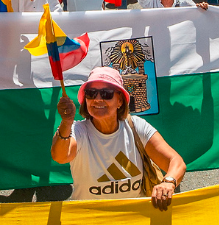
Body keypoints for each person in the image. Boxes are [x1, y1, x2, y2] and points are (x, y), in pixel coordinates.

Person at [51, 67, 186, 209]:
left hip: (133, 218)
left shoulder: (136, 126)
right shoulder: (77, 131)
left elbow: (176, 162)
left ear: (120, 100)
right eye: (91, 93)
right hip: (89, 218)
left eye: (106, 93)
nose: (97, 99)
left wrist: (169, 182)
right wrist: (66, 122)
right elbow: (61, 157)